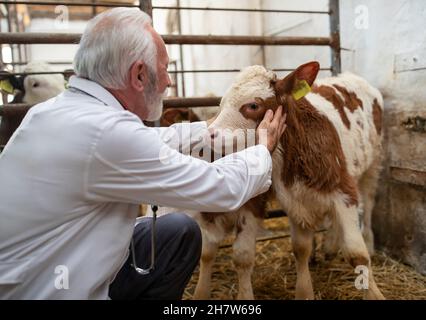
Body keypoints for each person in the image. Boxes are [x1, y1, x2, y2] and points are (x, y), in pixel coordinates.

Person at [0, 8, 286, 300]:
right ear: (138, 74)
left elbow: (152, 140)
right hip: (46, 290)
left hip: (55, 262)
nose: (169, 82)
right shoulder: (106, 133)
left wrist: (212, 126)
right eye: (164, 68)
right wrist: (262, 149)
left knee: (177, 231)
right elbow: (218, 186)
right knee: (179, 229)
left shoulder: (54, 111)